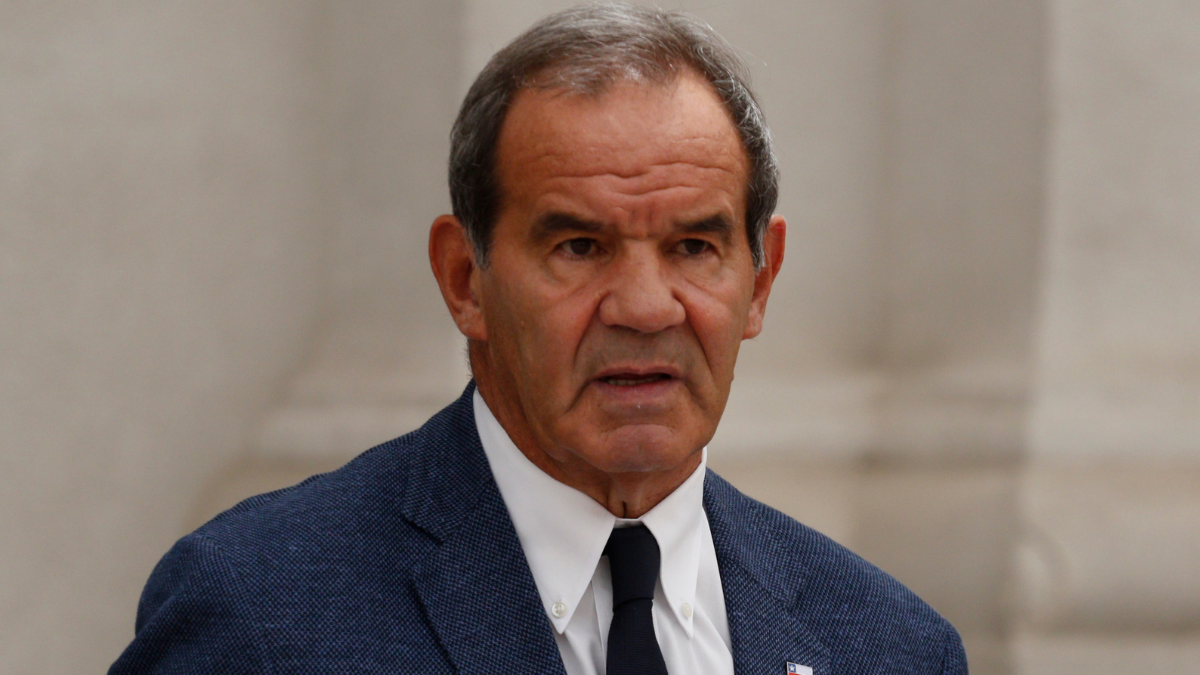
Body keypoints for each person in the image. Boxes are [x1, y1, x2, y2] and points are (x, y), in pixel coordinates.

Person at [110, 4, 967, 674]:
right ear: (465, 279)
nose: (645, 307)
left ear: (761, 281)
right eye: (580, 246)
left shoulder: (890, 647)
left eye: (693, 247)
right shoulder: (261, 612)